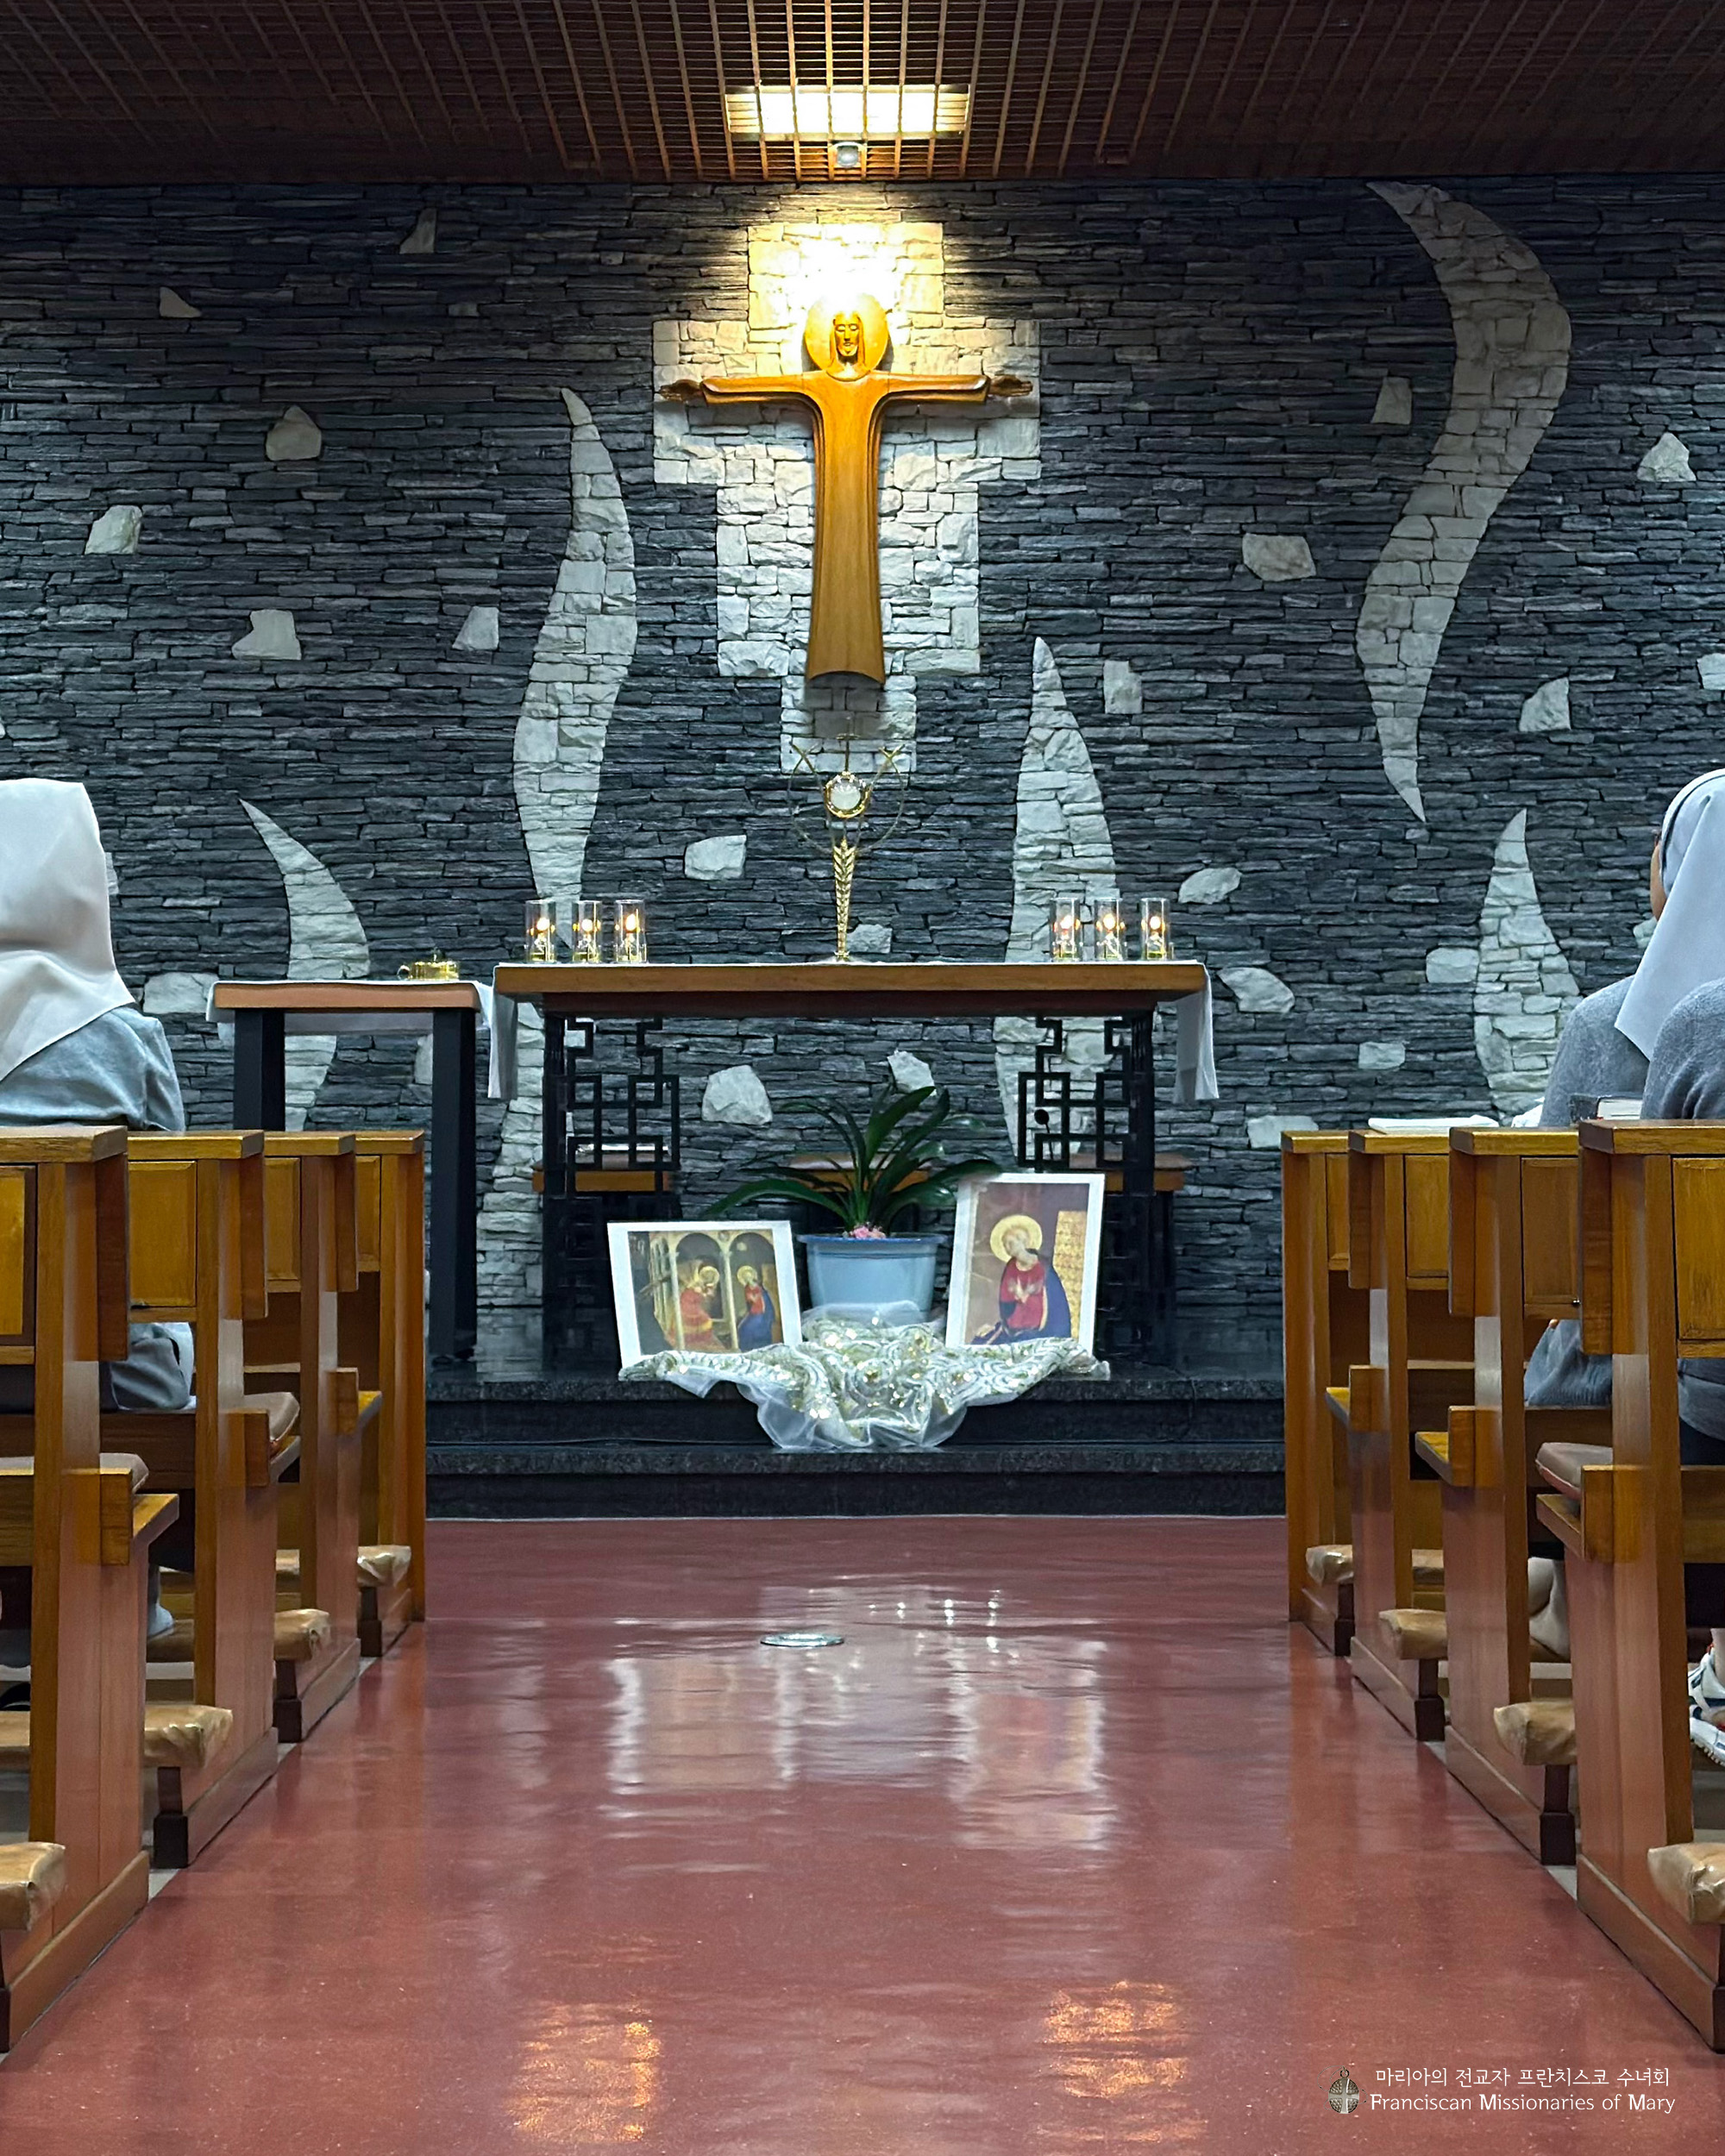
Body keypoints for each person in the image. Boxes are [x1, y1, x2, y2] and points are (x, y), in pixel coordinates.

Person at [0, 778, 191, 1675]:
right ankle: (124, 1594)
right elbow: (170, 1218)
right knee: (159, 1341)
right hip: (99, 1368)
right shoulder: (126, 1040)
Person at [984, 1215, 1072, 1343]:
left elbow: (1052, 1300)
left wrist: (1025, 1296)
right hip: (1015, 1324)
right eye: (1004, 1244)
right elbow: (1005, 1302)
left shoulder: (1043, 1266)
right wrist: (1015, 1295)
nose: (1007, 1247)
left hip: (1041, 1325)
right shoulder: (1011, 1266)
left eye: (1010, 1243)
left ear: (1023, 1242)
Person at [675, 1261, 723, 1351]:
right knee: (704, 1319)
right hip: (689, 1306)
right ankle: (700, 1340)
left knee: (705, 1320)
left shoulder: (703, 1285)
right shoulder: (697, 1285)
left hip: (692, 1305)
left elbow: (707, 1295)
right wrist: (704, 1294)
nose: (708, 1279)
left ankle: (702, 1340)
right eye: (707, 1277)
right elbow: (697, 1295)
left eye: (710, 1277)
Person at [735, 1263, 777, 1351]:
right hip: (754, 1311)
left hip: (762, 1310)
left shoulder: (760, 1287)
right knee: (743, 1328)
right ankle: (747, 1348)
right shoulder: (747, 1288)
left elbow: (763, 1297)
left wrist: (758, 1296)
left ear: (752, 1276)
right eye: (746, 1277)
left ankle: (761, 1345)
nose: (748, 1278)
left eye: (749, 1276)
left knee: (755, 1327)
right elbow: (750, 1300)